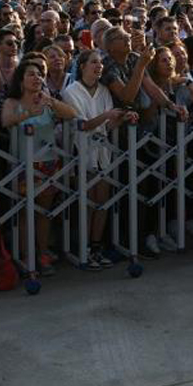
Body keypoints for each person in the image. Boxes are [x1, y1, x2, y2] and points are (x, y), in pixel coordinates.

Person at [61, 51, 137, 270]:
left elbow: (108, 125)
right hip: (81, 150)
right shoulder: (71, 92)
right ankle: (83, 247)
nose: (99, 66)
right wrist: (108, 116)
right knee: (87, 200)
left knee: (102, 200)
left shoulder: (104, 90)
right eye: (94, 62)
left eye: (101, 63)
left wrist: (123, 117)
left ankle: (96, 246)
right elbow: (83, 125)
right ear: (82, 66)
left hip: (103, 151)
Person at [0, 61, 76, 277]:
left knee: (44, 212)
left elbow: (71, 114)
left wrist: (50, 101)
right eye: (31, 74)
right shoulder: (12, 102)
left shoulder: (47, 101)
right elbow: (5, 121)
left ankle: (42, 253)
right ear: (21, 80)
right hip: (24, 164)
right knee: (26, 212)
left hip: (49, 162)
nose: (36, 78)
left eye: (39, 75)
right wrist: (28, 113)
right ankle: (26, 256)